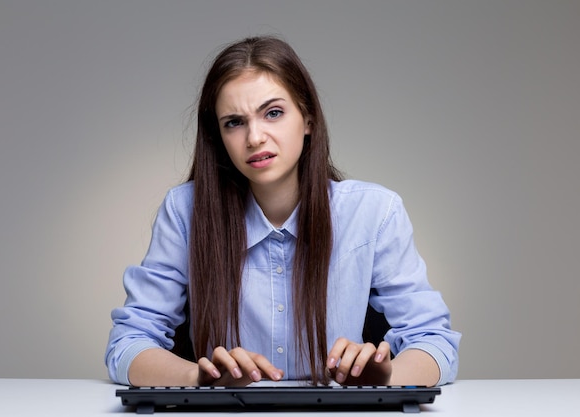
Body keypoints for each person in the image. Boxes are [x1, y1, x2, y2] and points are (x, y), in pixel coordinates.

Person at [105, 35, 461, 388]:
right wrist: (199, 376)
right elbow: (128, 343)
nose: (255, 137)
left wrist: (388, 377)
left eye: (273, 113)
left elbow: (434, 340)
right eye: (234, 122)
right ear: (218, 136)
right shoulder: (185, 211)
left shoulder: (374, 212)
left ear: (307, 119)